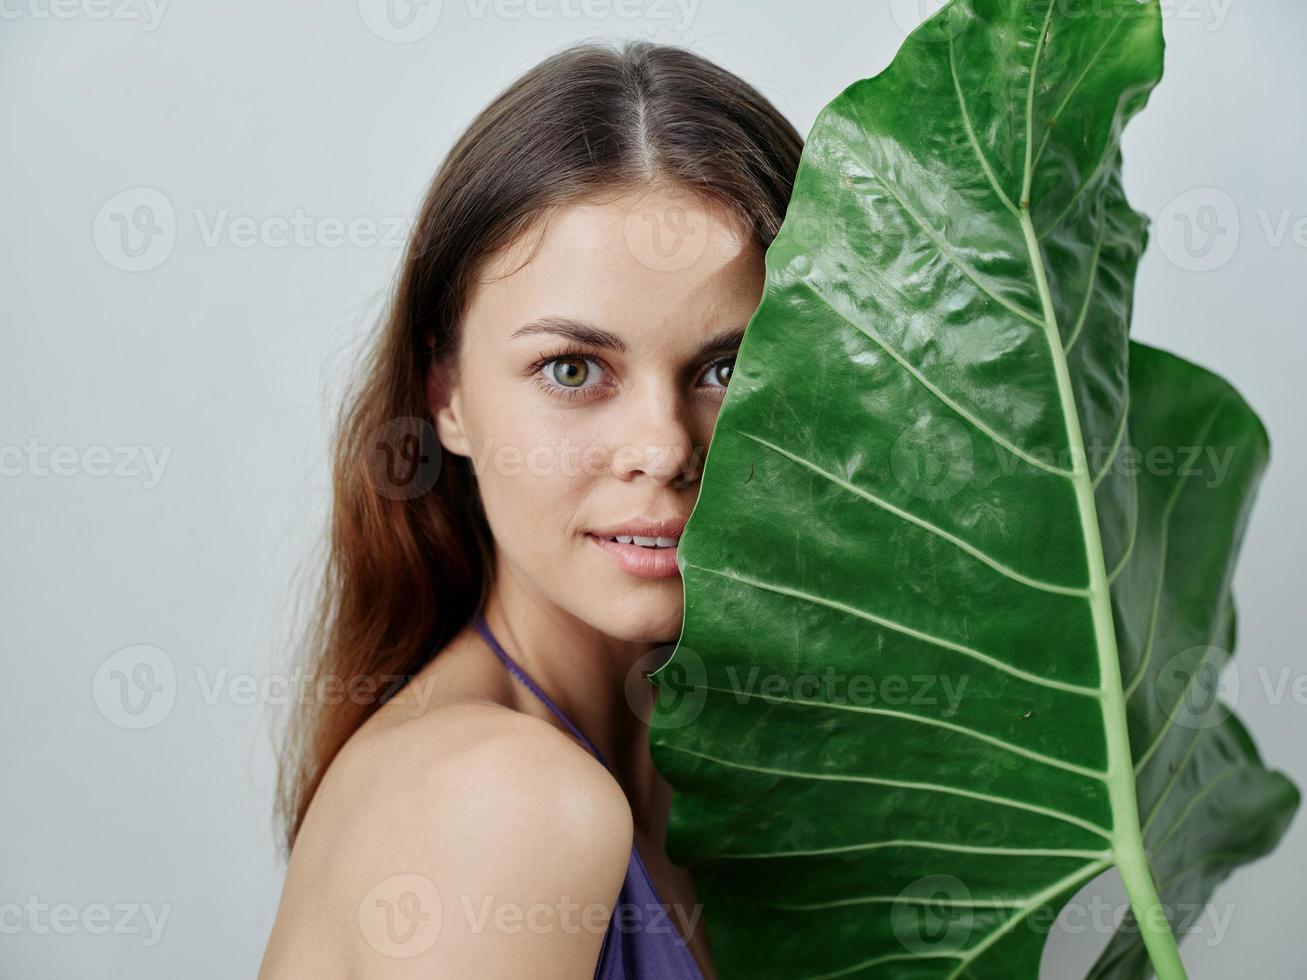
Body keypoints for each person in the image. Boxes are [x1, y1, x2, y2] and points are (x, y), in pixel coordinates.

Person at [258, 39, 802, 978]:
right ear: (447, 396)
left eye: (728, 368)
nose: (665, 448)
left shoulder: (704, 784)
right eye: (573, 370)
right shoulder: (505, 801)